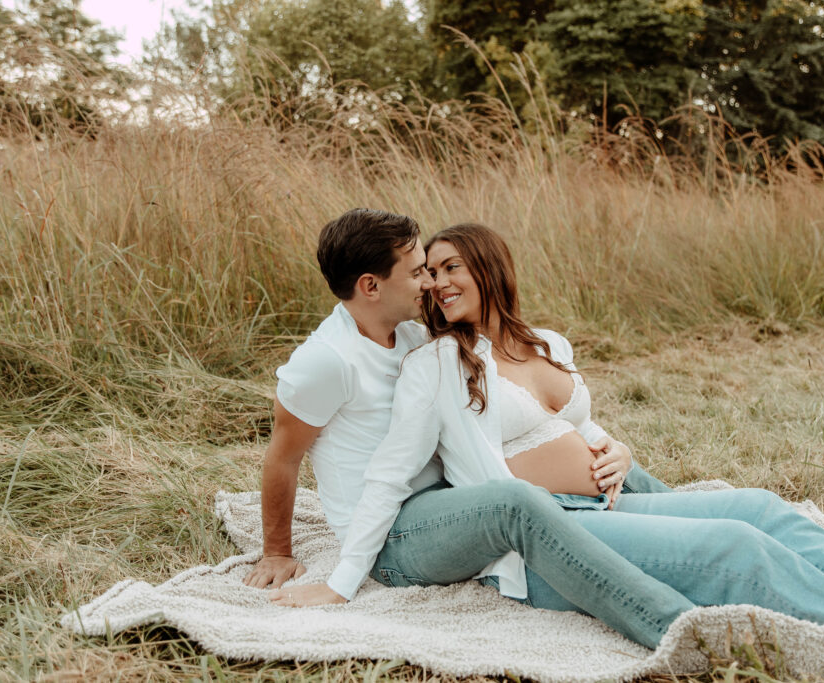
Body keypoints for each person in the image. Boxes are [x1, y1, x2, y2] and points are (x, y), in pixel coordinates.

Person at [277, 222, 824, 652]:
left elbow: (576, 426)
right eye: (427, 270)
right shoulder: (433, 362)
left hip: (604, 497)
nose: (435, 280)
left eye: (449, 265)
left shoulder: (546, 342)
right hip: (557, 531)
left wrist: (619, 449)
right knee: (736, 546)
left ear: (491, 267)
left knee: (758, 508)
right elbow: (391, 471)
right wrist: (340, 580)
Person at [245, 208, 710, 648]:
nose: (430, 282)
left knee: (610, 464)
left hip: (451, 501)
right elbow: (283, 457)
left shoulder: (412, 335)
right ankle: (676, 629)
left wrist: (607, 446)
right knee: (513, 502)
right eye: (418, 272)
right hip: (393, 534)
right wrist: (279, 553)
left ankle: (708, 525)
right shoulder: (325, 362)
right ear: (370, 286)